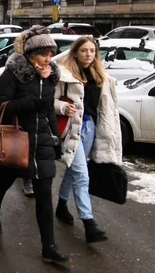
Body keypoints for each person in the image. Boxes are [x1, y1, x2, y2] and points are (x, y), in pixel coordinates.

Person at [0, 26, 70, 264]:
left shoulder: (51, 76)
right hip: (16, 139)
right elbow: (0, 105)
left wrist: (56, 137)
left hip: (42, 141)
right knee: (4, 181)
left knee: (44, 196)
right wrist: (29, 103)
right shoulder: (13, 74)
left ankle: (49, 248)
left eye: (50, 54)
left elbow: (48, 111)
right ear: (31, 54)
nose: (48, 59)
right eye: (44, 54)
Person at [54, 36, 122, 243]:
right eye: (84, 50)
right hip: (72, 128)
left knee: (73, 169)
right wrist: (63, 107)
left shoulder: (101, 76)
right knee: (82, 175)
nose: (89, 54)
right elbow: (50, 101)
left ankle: (61, 205)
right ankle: (89, 223)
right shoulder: (64, 74)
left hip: (90, 128)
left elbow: (106, 108)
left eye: (92, 51)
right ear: (75, 52)